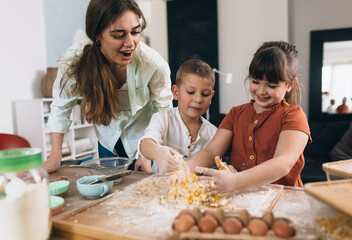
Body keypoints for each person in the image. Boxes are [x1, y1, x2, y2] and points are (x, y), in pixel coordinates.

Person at [43, 0, 173, 173]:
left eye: (135, 32)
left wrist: (148, 152)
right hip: (107, 140)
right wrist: (55, 157)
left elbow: (164, 111)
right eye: (119, 35)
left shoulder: (153, 64)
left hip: (145, 140)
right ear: (97, 34)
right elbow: (61, 107)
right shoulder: (74, 61)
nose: (130, 43)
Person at [185, 41, 312, 193]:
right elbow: (211, 152)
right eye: (255, 82)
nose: (261, 91)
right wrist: (184, 169)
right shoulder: (235, 114)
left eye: (271, 86)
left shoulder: (293, 116)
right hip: (243, 196)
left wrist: (235, 181)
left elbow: (283, 162)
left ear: (290, 85)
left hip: (284, 198)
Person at [138, 59, 217, 173]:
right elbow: (145, 144)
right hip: (160, 188)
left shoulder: (213, 133)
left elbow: (213, 169)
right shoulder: (162, 119)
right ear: (176, 92)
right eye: (190, 92)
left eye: (205, 94)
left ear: (211, 97)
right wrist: (157, 152)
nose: (198, 99)